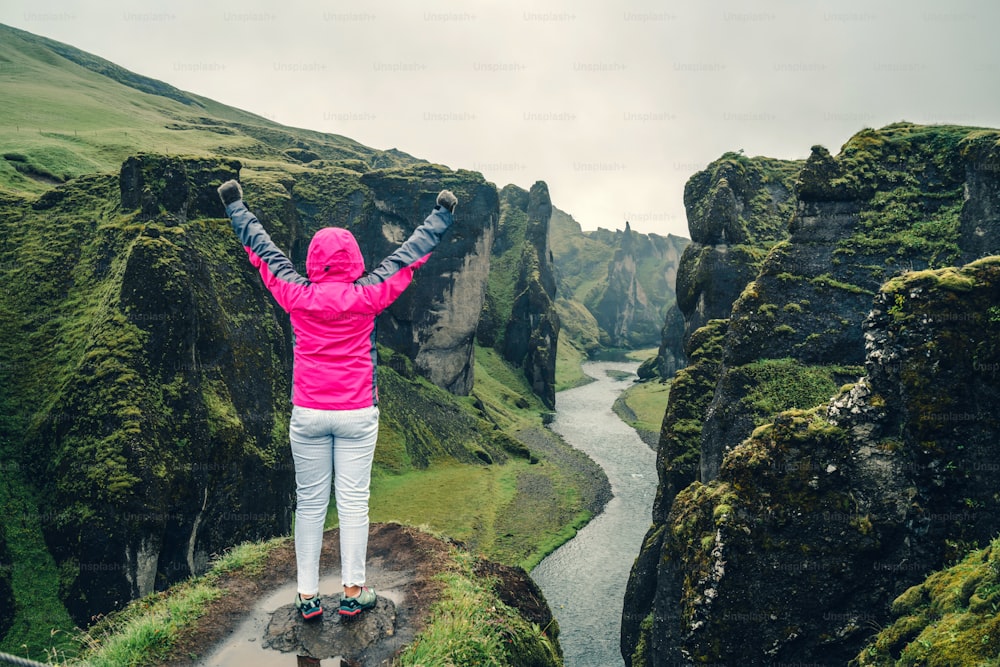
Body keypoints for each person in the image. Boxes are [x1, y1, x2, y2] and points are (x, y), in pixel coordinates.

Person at [217, 179, 457, 619]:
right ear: (354, 260)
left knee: (309, 502)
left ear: (311, 260)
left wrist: (235, 206)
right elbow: (409, 256)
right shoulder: (367, 295)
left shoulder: (295, 294)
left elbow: (264, 250)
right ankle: (352, 592)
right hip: (357, 414)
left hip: (308, 413)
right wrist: (441, 214)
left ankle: (307, 597)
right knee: (353, 502)